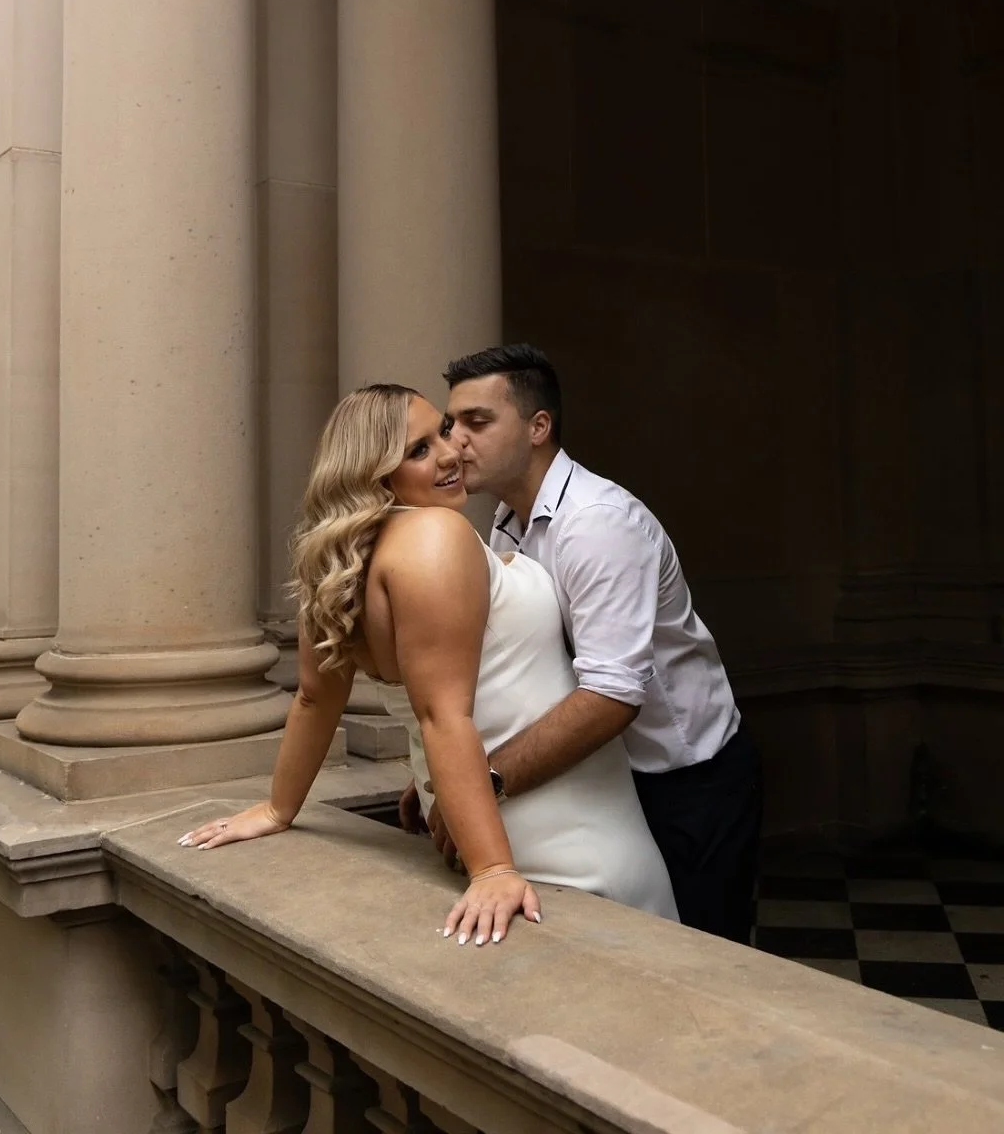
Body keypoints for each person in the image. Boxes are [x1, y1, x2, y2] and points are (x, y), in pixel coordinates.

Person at [179, 384, 678, 946]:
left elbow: (316, 699)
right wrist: (494, 870)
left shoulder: (341, 563)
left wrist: (279, 807)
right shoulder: (435, 536)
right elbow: (443, 714)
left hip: (486, 818)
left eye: (441, 431)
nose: (448, 452)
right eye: (417, 450)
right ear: (374, 475)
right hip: (564, 830)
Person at [402, 345, 762, 945]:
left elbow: (611, 697)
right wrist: (439, 770)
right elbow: (520, 667)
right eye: (449, 424)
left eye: (477, 422)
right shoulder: (505, 521)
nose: (455, 442)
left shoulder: (598, 524)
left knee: (704, 965)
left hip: (687, 781)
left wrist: (478, 779)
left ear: (538, 427)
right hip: (606, 778)